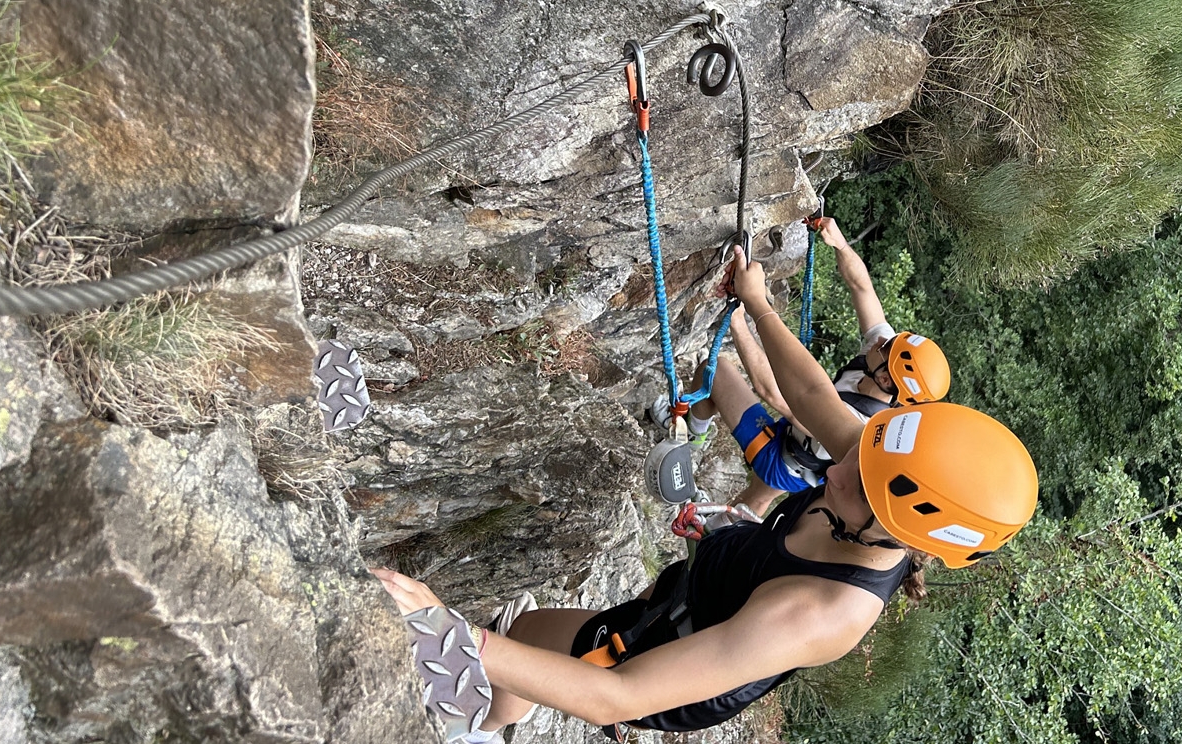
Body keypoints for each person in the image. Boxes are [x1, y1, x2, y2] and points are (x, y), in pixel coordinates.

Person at [373, 245, 1038, 741]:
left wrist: (452, 632)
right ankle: (489, 710)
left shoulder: (824, 613)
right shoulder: (877, 466)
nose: (837, 469)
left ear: (900, 533)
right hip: (703, 591)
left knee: (525, 637)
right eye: (858, 455)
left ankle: (475, 725)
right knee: (533, 639)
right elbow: (807, 394)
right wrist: (756, 302)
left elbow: (616, 696)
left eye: (860, 488)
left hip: (666, 663)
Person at [677, 217, 952, 517]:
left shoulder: (856, 424)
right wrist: (841, 245)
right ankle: (725, 525)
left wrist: (740, 316)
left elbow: (774, 391)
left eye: (887, 348)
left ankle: (693, 437)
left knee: (713, 369)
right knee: (757, 497)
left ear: (885, 379)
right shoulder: (879, 363)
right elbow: (861, 287)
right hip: (800, 453)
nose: (881, 341)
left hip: (785, 461)